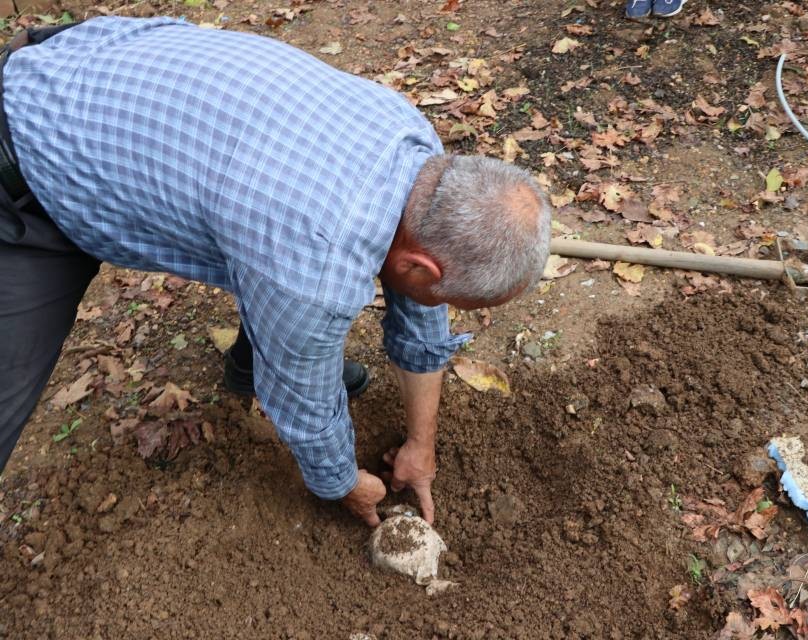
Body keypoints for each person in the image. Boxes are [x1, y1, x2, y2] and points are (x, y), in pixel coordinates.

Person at [0, 18, 552, 526]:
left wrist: (420, 445)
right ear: (418, 264)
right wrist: (343, 483)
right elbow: (305, 403)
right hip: (30, 158)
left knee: (275, 283)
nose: (442, 309)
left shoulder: (420, 155)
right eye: (449, 298)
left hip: (95, 59)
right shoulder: (313, 266)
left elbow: (417, 308)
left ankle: (246, 367)